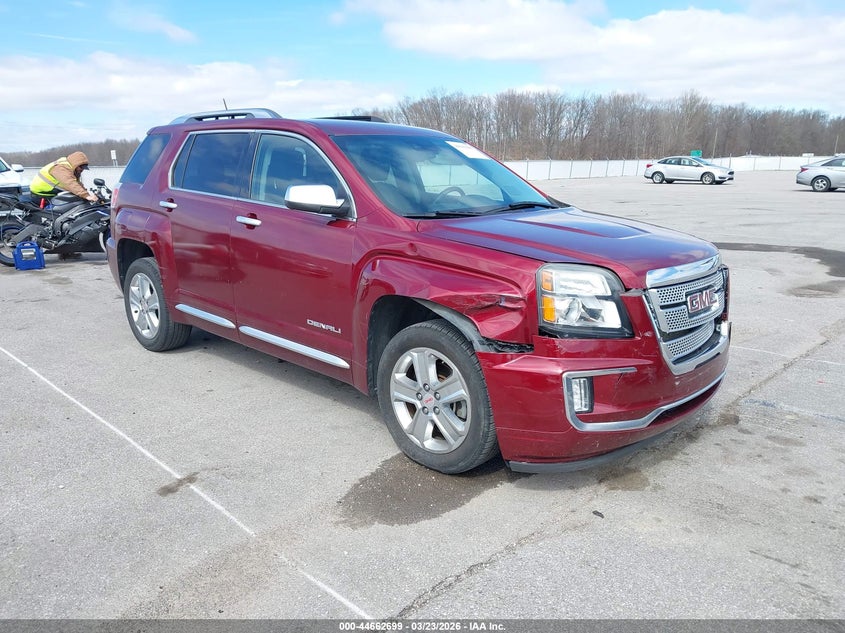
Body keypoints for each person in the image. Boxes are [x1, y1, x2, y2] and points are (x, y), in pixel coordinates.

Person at [29, 151, 98, 207]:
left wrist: (88, 194)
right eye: (81, 167)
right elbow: (70, 183)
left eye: (84, 168)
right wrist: (86, 196)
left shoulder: (72, 168)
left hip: (52, 192)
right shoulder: (61, 168)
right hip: (41, 194)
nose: (82, 170)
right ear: (76, 164)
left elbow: (77, 184)